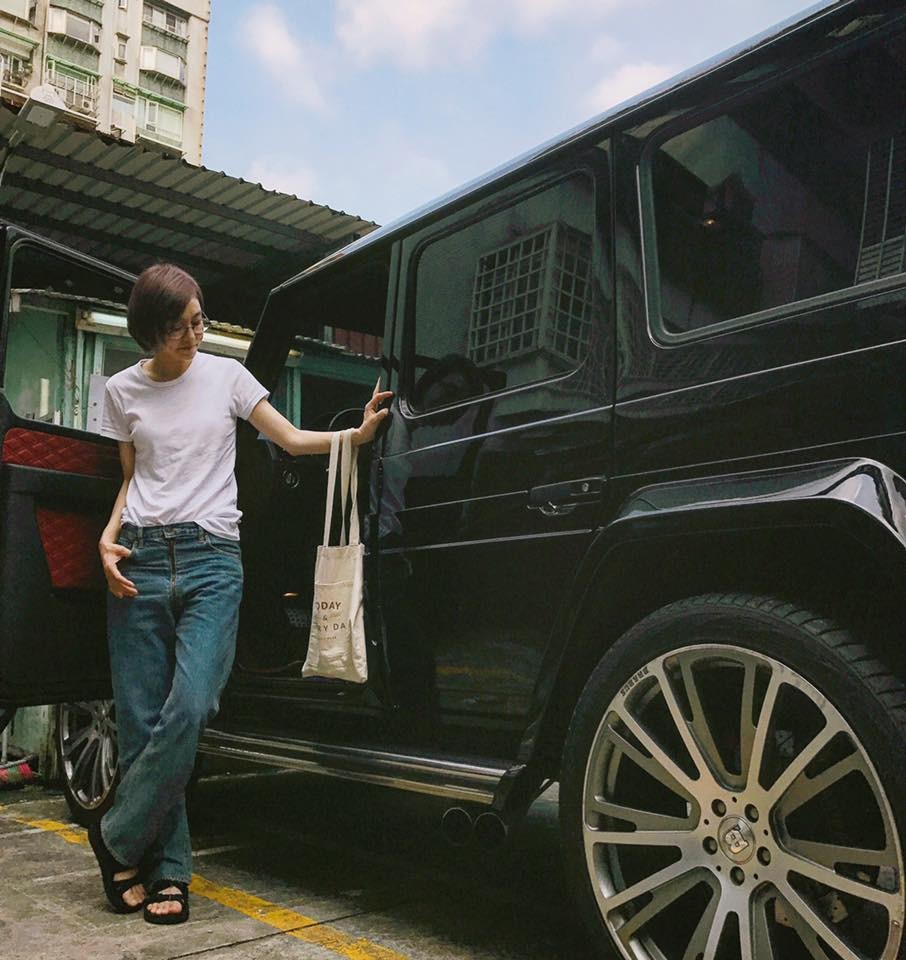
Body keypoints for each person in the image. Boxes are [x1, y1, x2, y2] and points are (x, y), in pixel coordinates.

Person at [91, 263, 391, 925]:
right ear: (149, 336)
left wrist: (355, 436)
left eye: (198, 320)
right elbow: (131, 479)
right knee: (143, 727)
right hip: (138, 557)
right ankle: (167, 874)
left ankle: (115, 836)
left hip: (211, 562)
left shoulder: (225, 374)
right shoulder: (120, 391)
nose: (195, 336)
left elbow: (286, 438)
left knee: (192, 705)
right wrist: (105, 539)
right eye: (179, 330)